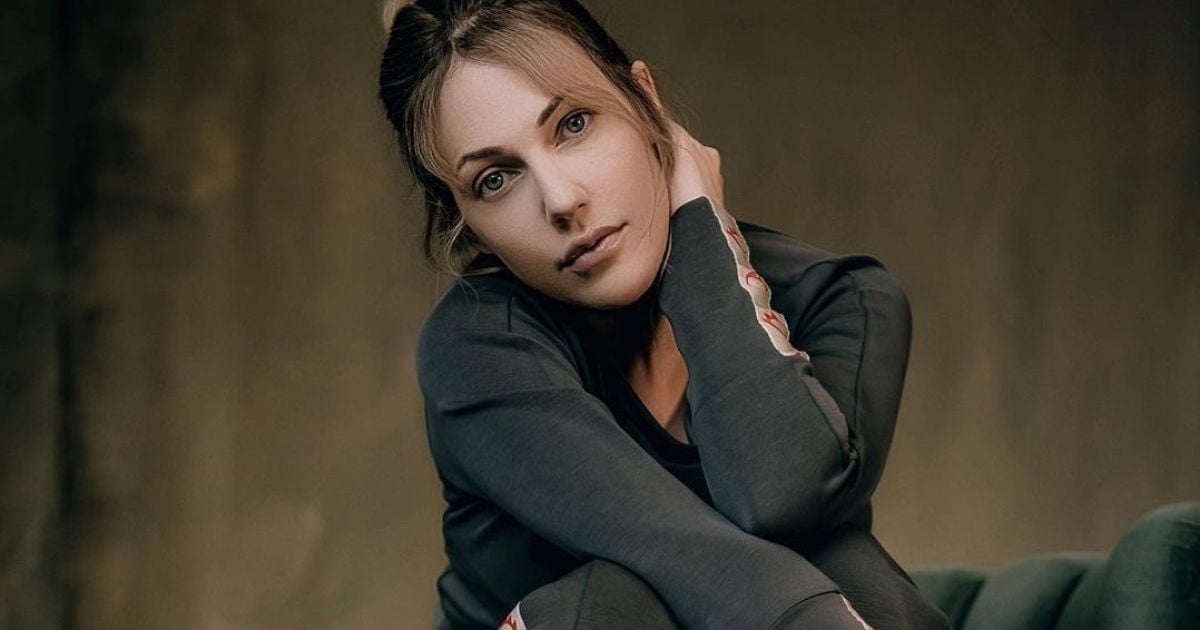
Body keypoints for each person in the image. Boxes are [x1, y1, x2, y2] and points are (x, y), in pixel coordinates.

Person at [379, 1, 952, 628]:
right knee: (614, 594)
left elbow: (782, 496)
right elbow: (686, 558)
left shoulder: (841, 299)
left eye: (573, 124)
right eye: (495, 179)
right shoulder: (478, 347)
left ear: (646, 103)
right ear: (469, 223)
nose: (562, 201)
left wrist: (702, 244)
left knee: (845, 562)